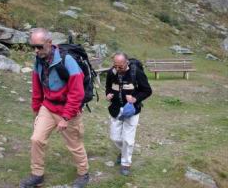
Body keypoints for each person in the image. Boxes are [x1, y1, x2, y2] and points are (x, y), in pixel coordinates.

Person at [20, 28, 89, 188]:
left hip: (69, 111)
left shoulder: (67, 61)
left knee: (74, 145)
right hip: (48, 107)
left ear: (49, 43)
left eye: (39, 46)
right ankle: (37, 175)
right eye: (33, 47)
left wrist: (66, 117)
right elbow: (37, 87)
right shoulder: (38, 60)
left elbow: (77, 93)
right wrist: (36, 111)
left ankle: (83, 174)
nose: (36, 51)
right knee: (36, 139)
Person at [105, 52, 152, 176]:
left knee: (128, 140)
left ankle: (126, 163)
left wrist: (135, 98)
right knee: (114, 137)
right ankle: (123, 152)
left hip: (132, 110)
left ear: (127, 63)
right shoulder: (111, 72)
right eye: (115, 66)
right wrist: (108, 94)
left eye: (120, 66)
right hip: (115, 109)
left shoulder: (136, 73)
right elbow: (108, 87)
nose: (118, 69)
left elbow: (147, 90)